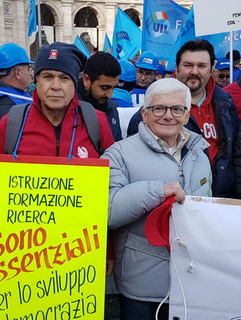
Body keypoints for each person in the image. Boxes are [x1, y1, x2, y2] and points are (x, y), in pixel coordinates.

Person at [101, 78, 212, 320]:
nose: (168, 116)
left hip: (192, 278)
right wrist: (157, 190)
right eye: (159, 108)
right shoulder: (118, 154)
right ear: (145, 114)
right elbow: (108, 211)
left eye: (176, 109)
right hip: (142, 283)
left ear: (186, 114)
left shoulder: (199, 152)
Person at [127, 40, 240, 198]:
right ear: (177, 68)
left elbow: (235, 155)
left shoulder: (226, 104)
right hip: (173, 202)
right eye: (188, 65)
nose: (194, 71)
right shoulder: (150, 112)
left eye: (201, 66)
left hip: (220, 201)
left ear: (212, 68)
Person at [0, 42, 114, 157]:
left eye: (64, 78)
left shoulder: (97, 122)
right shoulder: (11, 123)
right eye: (47, 77)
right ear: (36, 81)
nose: (55, 86)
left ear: (75, 84)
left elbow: (112, 174)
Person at [76, 51, 122, 141]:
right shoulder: (67, 107)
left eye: (114, 88)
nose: (109, 95)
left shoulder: (111, 109)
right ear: (86, 80)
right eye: (104, 88)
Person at [0, 43, 34, 139]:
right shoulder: (3, 104)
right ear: (17, 72)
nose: (31, 74)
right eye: (29, 69)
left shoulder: (16, 95)